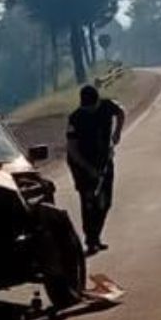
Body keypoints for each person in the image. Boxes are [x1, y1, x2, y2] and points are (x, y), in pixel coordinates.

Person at [66, 85, 126, 256]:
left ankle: (96, 236)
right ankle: (91, 240)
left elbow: (121, 111)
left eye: (92, 107)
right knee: (89, 201)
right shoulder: (75, 118)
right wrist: (89, 170)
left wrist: (117, 133)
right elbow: (72, 149)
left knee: (105, 202)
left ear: (98, 102)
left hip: (103, 160)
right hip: (80, 164)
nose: (89, 110)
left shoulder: (107, 106)